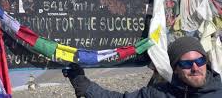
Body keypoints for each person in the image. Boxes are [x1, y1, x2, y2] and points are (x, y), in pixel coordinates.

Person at [64, 36, 222, 97]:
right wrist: (83, 84)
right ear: (175, 68)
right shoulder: (160, 93)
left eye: (200, 61)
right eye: (187, 63)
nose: (195, 67)